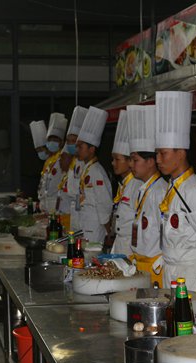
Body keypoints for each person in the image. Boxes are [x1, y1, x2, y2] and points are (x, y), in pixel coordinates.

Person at [156, 91, 196, 313]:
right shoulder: (172, 186)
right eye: (157, 154)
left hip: (192, 276)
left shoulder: (194, 191)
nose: (158, 160)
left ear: (180, 153)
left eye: (163, 154)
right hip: (171, 272)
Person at [127, 105, 166, 286]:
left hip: (155, 269)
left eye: (135, 160)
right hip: (140, 265)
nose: (131, 165)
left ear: (150, 162)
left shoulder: (160, 192)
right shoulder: (143, 189)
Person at [73, 106, 113, 244]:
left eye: (80, 147)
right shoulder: (86, 169)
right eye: (77, 146)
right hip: (84, 223)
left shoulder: (97, 172)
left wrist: (107, 230)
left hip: (95, 228)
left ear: (92, 149)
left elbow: (105, 203)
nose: (77, 150)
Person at [110, 110, 142, 256]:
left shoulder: (137, 185)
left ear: (129, 161)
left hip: (131, 248)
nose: (113, 163)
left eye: (117, 159)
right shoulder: (123, 185)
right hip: (119, 244)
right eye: (113, 159)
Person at [59, 106, 87, 233]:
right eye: (68, 141)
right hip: (70, 215)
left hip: (82, 217)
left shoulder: (85, 165)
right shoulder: (73, 162)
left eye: (73, 141)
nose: (70, 144)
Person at [37, 113, 68, 213]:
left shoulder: (63, 159)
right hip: (47, 207)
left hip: (59, 207)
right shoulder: (48, 161)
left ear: (61, 142)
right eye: (50, 139)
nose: (52, 142)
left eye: (55, 139)